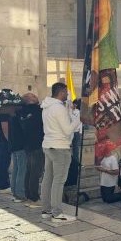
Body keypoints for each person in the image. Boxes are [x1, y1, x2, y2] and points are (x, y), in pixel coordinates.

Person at [40, 82, 81, 222]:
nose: (68, 94)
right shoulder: (58, 108)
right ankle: (57, 213)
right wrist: (78, 117)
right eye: (66, 92)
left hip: (48, 145)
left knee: (48, 178)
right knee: (59, 180)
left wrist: (69, 112)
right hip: (60, 147)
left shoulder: (46, 107)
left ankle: (46, 210)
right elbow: (68, 130)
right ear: (61, 92)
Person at [19, 93, 45, 207]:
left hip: (27, 144)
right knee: (35, 171)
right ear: (29, 100)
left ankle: (29, 195)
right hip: (37, 144)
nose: (36, 96)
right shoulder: (37, 111)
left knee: (29, 170)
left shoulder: (22, 111)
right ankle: (34, 198)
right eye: (33, 96)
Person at [8, 105, 27, 203]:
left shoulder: (11, 116)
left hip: (13, 145)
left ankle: (15, 192)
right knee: (21, 170)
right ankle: (20, 194)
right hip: (20, 146)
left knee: (16, 169)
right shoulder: (19, 116)